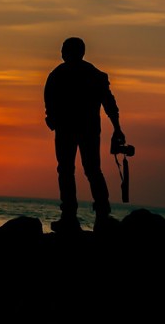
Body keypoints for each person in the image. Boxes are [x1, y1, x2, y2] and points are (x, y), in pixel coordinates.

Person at [44, 37, 125, 232]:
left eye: (64, 49)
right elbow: (110, 105)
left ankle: (76, 216)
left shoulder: (59, 75)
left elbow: (109, 105)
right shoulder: (92, 75)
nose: (61, 53)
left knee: (72, 170)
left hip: (73, 130)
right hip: (82, 130)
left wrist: (117, 128)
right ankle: (95, 215)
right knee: (86, 170)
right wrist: (117, 128)